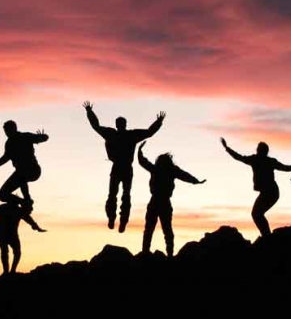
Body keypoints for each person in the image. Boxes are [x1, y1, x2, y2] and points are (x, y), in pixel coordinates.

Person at [83, 101, 165, 233]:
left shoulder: (116, 134)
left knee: (118, 195)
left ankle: (118, 220)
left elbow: (96, 126)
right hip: (123, 168)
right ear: (122, 125)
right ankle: (117, 220)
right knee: (121, 195)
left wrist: (89, 111)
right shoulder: (128, 135)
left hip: (122, 168)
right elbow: (149, 132)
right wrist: (159, 122)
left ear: (119, 125)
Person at [220, 138, 291, 237]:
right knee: (257, 214)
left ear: (260, 151)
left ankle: (267, 236)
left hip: (271, 192)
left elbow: (286, 168)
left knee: (256, 214)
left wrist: (227, 148)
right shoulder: (260, 160)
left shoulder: (260, 160)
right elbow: (286, 168)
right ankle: (266, 236)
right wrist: (227, 148)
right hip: (271, 192)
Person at [137, 141, 205, 257]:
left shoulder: (160, 169)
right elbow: (185, 175)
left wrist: (196, 181)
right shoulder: (166, 170)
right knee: (161, 229)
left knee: (154, 229)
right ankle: (160, 253)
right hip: (160, 202)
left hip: (158, 201)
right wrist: (195, 181)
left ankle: (149, 252)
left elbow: (143, 162)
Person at [0, 120, 48, 211]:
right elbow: (6, 157)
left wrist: (42, 137)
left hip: (33, 170)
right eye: (5, 131)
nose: (6, 133)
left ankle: (27, 199)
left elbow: (44, 137)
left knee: (21, 174)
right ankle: (23, 202)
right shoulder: (9, 143)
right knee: (2, 195)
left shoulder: (24, 136)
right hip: (20, 172)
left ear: (14, 129)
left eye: (8, 130)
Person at [0, 201, 46, 274]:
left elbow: (30, 220)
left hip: (9, 234)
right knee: (8, 251)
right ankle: (7, 271)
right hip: (4, 233)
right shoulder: (7, 208)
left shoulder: (14, 209)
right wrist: (37, 228)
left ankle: (10, 271)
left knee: (13, 252)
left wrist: (37, 227)